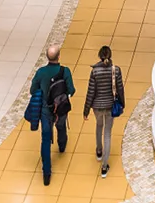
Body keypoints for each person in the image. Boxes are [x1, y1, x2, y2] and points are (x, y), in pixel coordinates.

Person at [31, 45, 76, 186]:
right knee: (61, 126)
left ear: (47, 57)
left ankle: (46, 173)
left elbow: (33, 90)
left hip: (45, 110)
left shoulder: (41, 72)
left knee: (45, 139)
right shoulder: (65, 71)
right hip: (60, 108)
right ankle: (61, 145)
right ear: (59, 56)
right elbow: (72, 90)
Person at [83, 46, 126, 177]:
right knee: (107, 133)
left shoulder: (95, 72)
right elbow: (120, 89)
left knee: (98, 126)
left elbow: (90, 92)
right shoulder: (116, 70)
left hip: (97, 107)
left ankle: (99, 151)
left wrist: (86, 110)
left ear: (99, 56)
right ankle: (104, 167)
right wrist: (123, 104)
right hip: (110, 106)